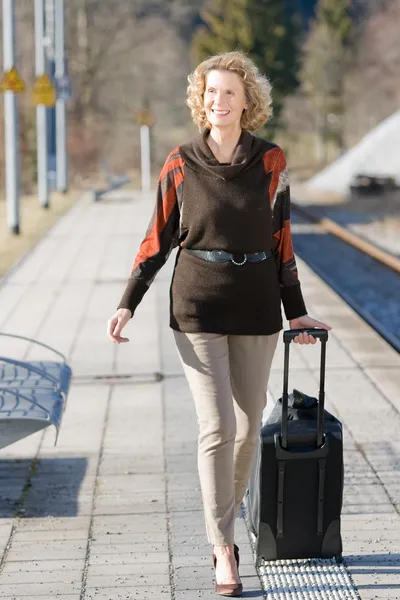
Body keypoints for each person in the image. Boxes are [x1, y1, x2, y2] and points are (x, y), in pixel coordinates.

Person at [107, 51, 331, 597]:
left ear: (247, 100)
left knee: (250, 427)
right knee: (218, 428)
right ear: (200, 99)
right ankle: (223, 545)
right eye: (211, 92)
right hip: (197, 308)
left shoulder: (271, 161)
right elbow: (157, 239)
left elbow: (282, 242)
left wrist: (295, 308)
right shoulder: (181, 163)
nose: (219, 101)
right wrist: (128, 301)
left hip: (257, 308)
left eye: (229, 92)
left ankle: (225, 522)